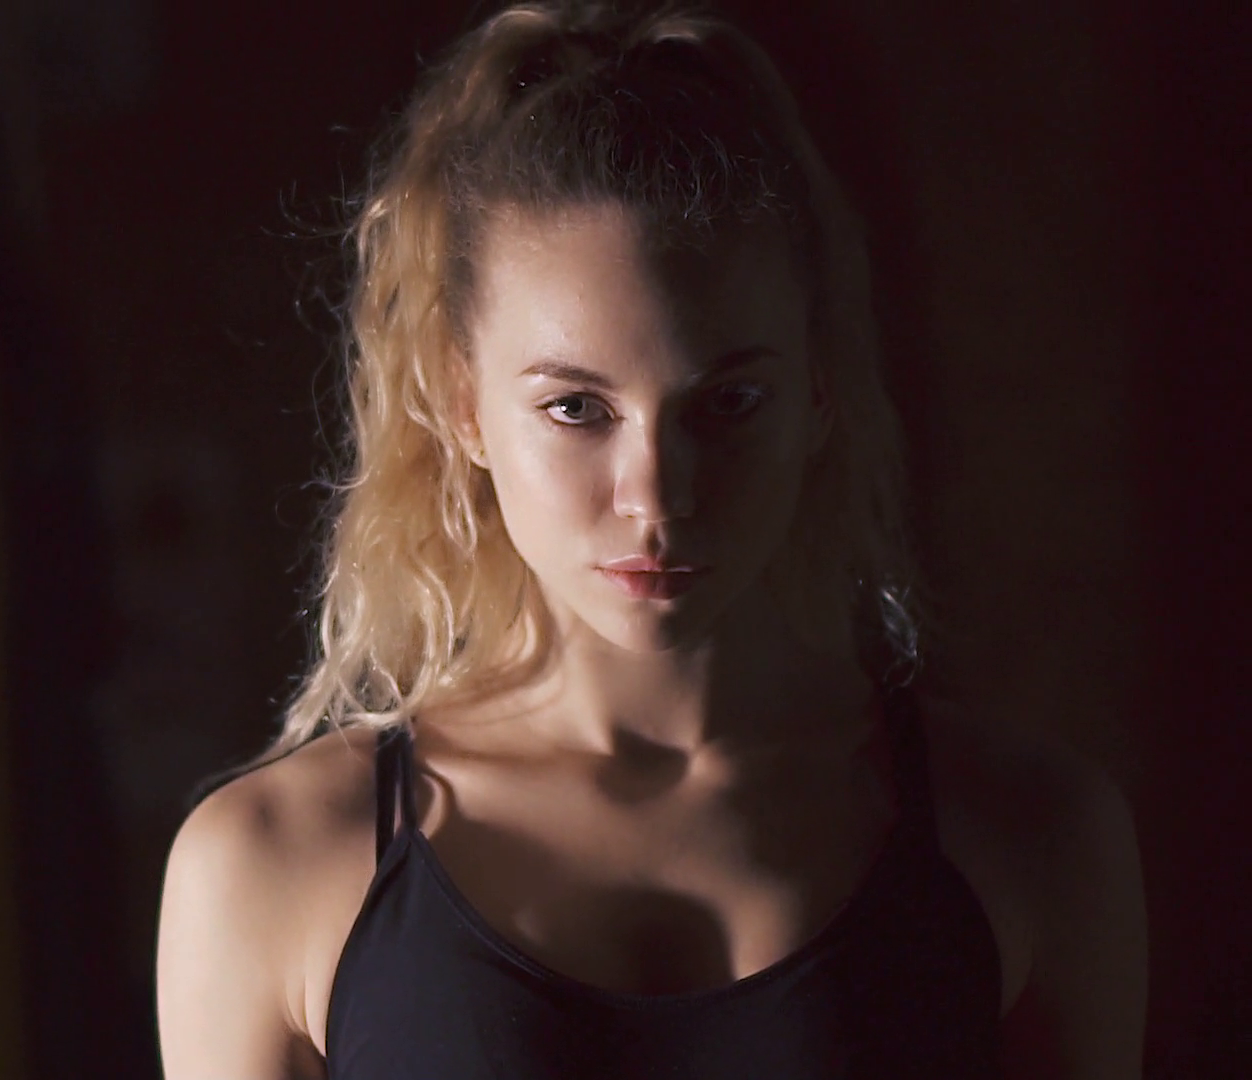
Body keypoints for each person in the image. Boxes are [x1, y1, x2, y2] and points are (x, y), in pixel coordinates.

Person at [155, 2, 1147, 1077]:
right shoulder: (272, 866)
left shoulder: (1029, 838)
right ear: (461, 407)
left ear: (819, 392)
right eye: (577, 409)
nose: (658, 496)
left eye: (729, 403)